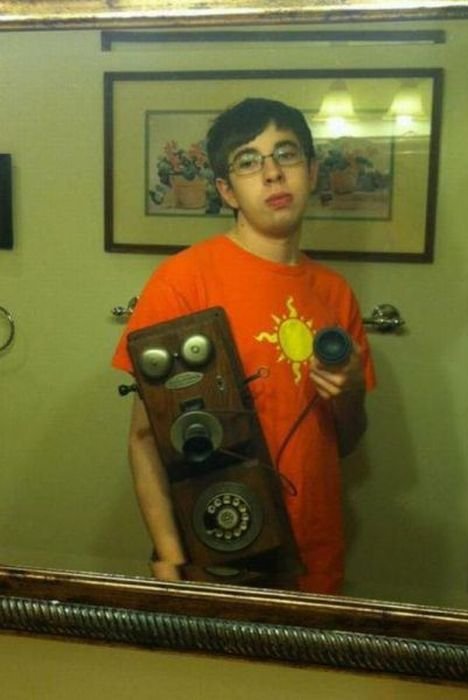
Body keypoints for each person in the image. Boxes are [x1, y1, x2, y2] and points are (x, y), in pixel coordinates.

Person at [112, 97, 376, 595]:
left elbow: (345, 442)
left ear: (312, 171)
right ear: (226, 190)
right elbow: (145, 439)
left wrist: (351, 392)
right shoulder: (182, 281)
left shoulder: (335, 293)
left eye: (287, 154)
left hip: (317, 553)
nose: (273, 173)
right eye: (249, 161)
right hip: (219, 553)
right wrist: (170, 556)